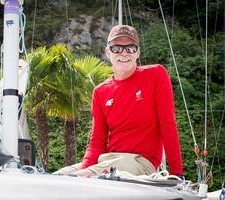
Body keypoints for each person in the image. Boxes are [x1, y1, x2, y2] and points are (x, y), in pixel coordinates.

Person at [53, 24, 183, 177]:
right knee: (56, 177)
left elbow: (168, 125)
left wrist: (177, 173)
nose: (124, 53)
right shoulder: (100, 92)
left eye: (130, 48)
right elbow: (97, 142)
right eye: (117, 48)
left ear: (138, 52)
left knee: (82, 176)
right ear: (108, 52)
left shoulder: (156, 75)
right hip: (107, 160)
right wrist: (85, 167)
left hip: (140, 161)